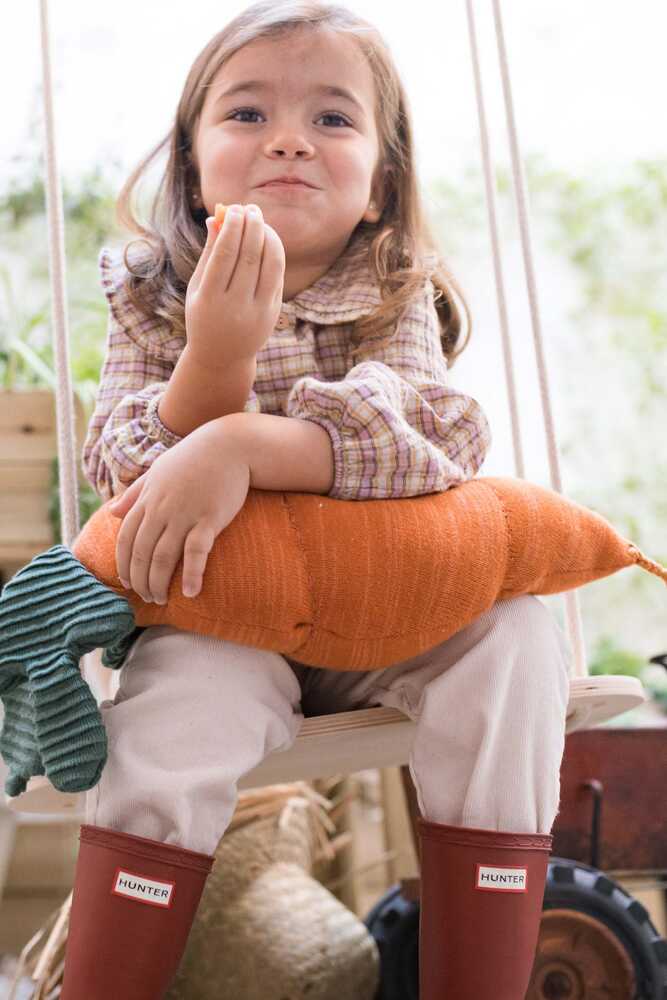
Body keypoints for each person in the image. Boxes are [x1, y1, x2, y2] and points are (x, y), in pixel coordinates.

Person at [60, 2, 571, 997]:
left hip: (390, 619)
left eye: (332, 119)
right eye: (246, 114)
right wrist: (215, 355)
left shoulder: (393, 287)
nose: (288, 136)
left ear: (381, 182)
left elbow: (424, 441)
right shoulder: (150, 294)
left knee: (514, 635)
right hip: (223, 623)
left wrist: (244, 446)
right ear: (193, 164)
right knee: (167, 716)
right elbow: (124, 479)